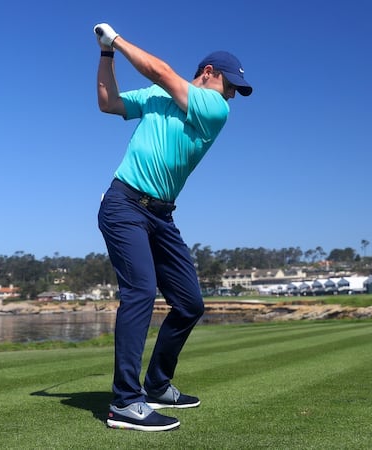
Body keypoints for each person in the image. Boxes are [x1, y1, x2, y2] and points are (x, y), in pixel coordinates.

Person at [93, 23, 252, 432]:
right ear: (210, 71)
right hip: (124, 204)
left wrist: (118, 41)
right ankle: (126, 403)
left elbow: (162, 72)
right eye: (230, 84)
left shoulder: (215, 110)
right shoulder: (157, 98)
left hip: (161, 217)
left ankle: (157, 384)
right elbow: (108, 104)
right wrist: (105, 55)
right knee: (141, 292)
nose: (232, 94)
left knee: (190, 303)